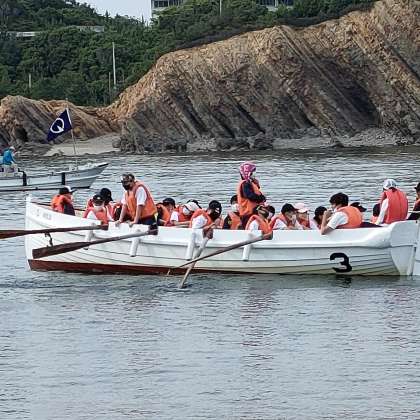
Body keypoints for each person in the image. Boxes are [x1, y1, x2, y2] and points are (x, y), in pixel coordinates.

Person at [237, 161, 265, 226]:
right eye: (252, 173)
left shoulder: (249, 183)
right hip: (248, 214)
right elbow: (250, 196)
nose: (253, 175)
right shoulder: (245, 184)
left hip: (252, 213)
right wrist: (261, 198)